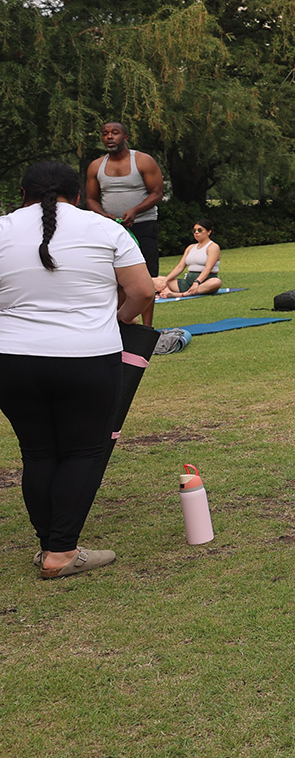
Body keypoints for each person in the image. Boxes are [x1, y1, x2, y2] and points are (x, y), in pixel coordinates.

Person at [2, 161, 155, 578]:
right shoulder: (105, 229)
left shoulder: (1, 230)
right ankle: (61, 552)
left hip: (12, 360)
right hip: (88, 357)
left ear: (22, 193)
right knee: (81, 451)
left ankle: (49, 544)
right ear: (77, 192)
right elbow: (143, 290)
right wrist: (117, 320)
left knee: (37, 453)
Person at [84, 121, 164, 326]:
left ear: (125, 137)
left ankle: (147, 328)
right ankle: (119, 324)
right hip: (111, 229)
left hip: (143, 225)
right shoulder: (96, 166)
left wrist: (136, 211)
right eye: (105, 133)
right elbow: (91, 199)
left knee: (146, 278)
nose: (109, 137)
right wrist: (103, 215)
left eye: (115, 133)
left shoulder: (143, 161)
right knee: (115, 278)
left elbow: (157, 193)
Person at [154, 219, 222, 298]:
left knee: (216, 282)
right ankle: (167, 292)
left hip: (205, 281)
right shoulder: (191, 247)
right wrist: (165, 281)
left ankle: (181, 294)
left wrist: (197, 282)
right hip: (188, 281)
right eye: (194, 231)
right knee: (155, 280)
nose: (196, 232)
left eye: (200, 230)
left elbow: (208, 268)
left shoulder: (213, 247)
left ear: (209, 231)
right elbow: (180, 267)